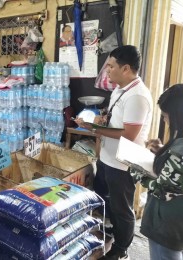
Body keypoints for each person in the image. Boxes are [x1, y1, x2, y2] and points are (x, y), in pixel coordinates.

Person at [75, 45, 153, 260]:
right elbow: (117, 121)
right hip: (107, 157)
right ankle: (112, 232)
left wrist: (94, 128)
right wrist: (102, 119)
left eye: (110, 66)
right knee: (105, 200)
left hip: (122, 164)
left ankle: (121, 250)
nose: (107, 70)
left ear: (126, 68)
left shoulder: (138, 96)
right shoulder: (120, 88)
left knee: (122, 209)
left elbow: (128, 133)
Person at [130, 84, 183, 260]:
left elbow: (161, 186)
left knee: (165, 254)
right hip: (172, 217)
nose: (165, 121)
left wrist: (135, 169)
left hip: (169, 218)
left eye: (166, 117)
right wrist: (162, 151)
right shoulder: (178, 144)